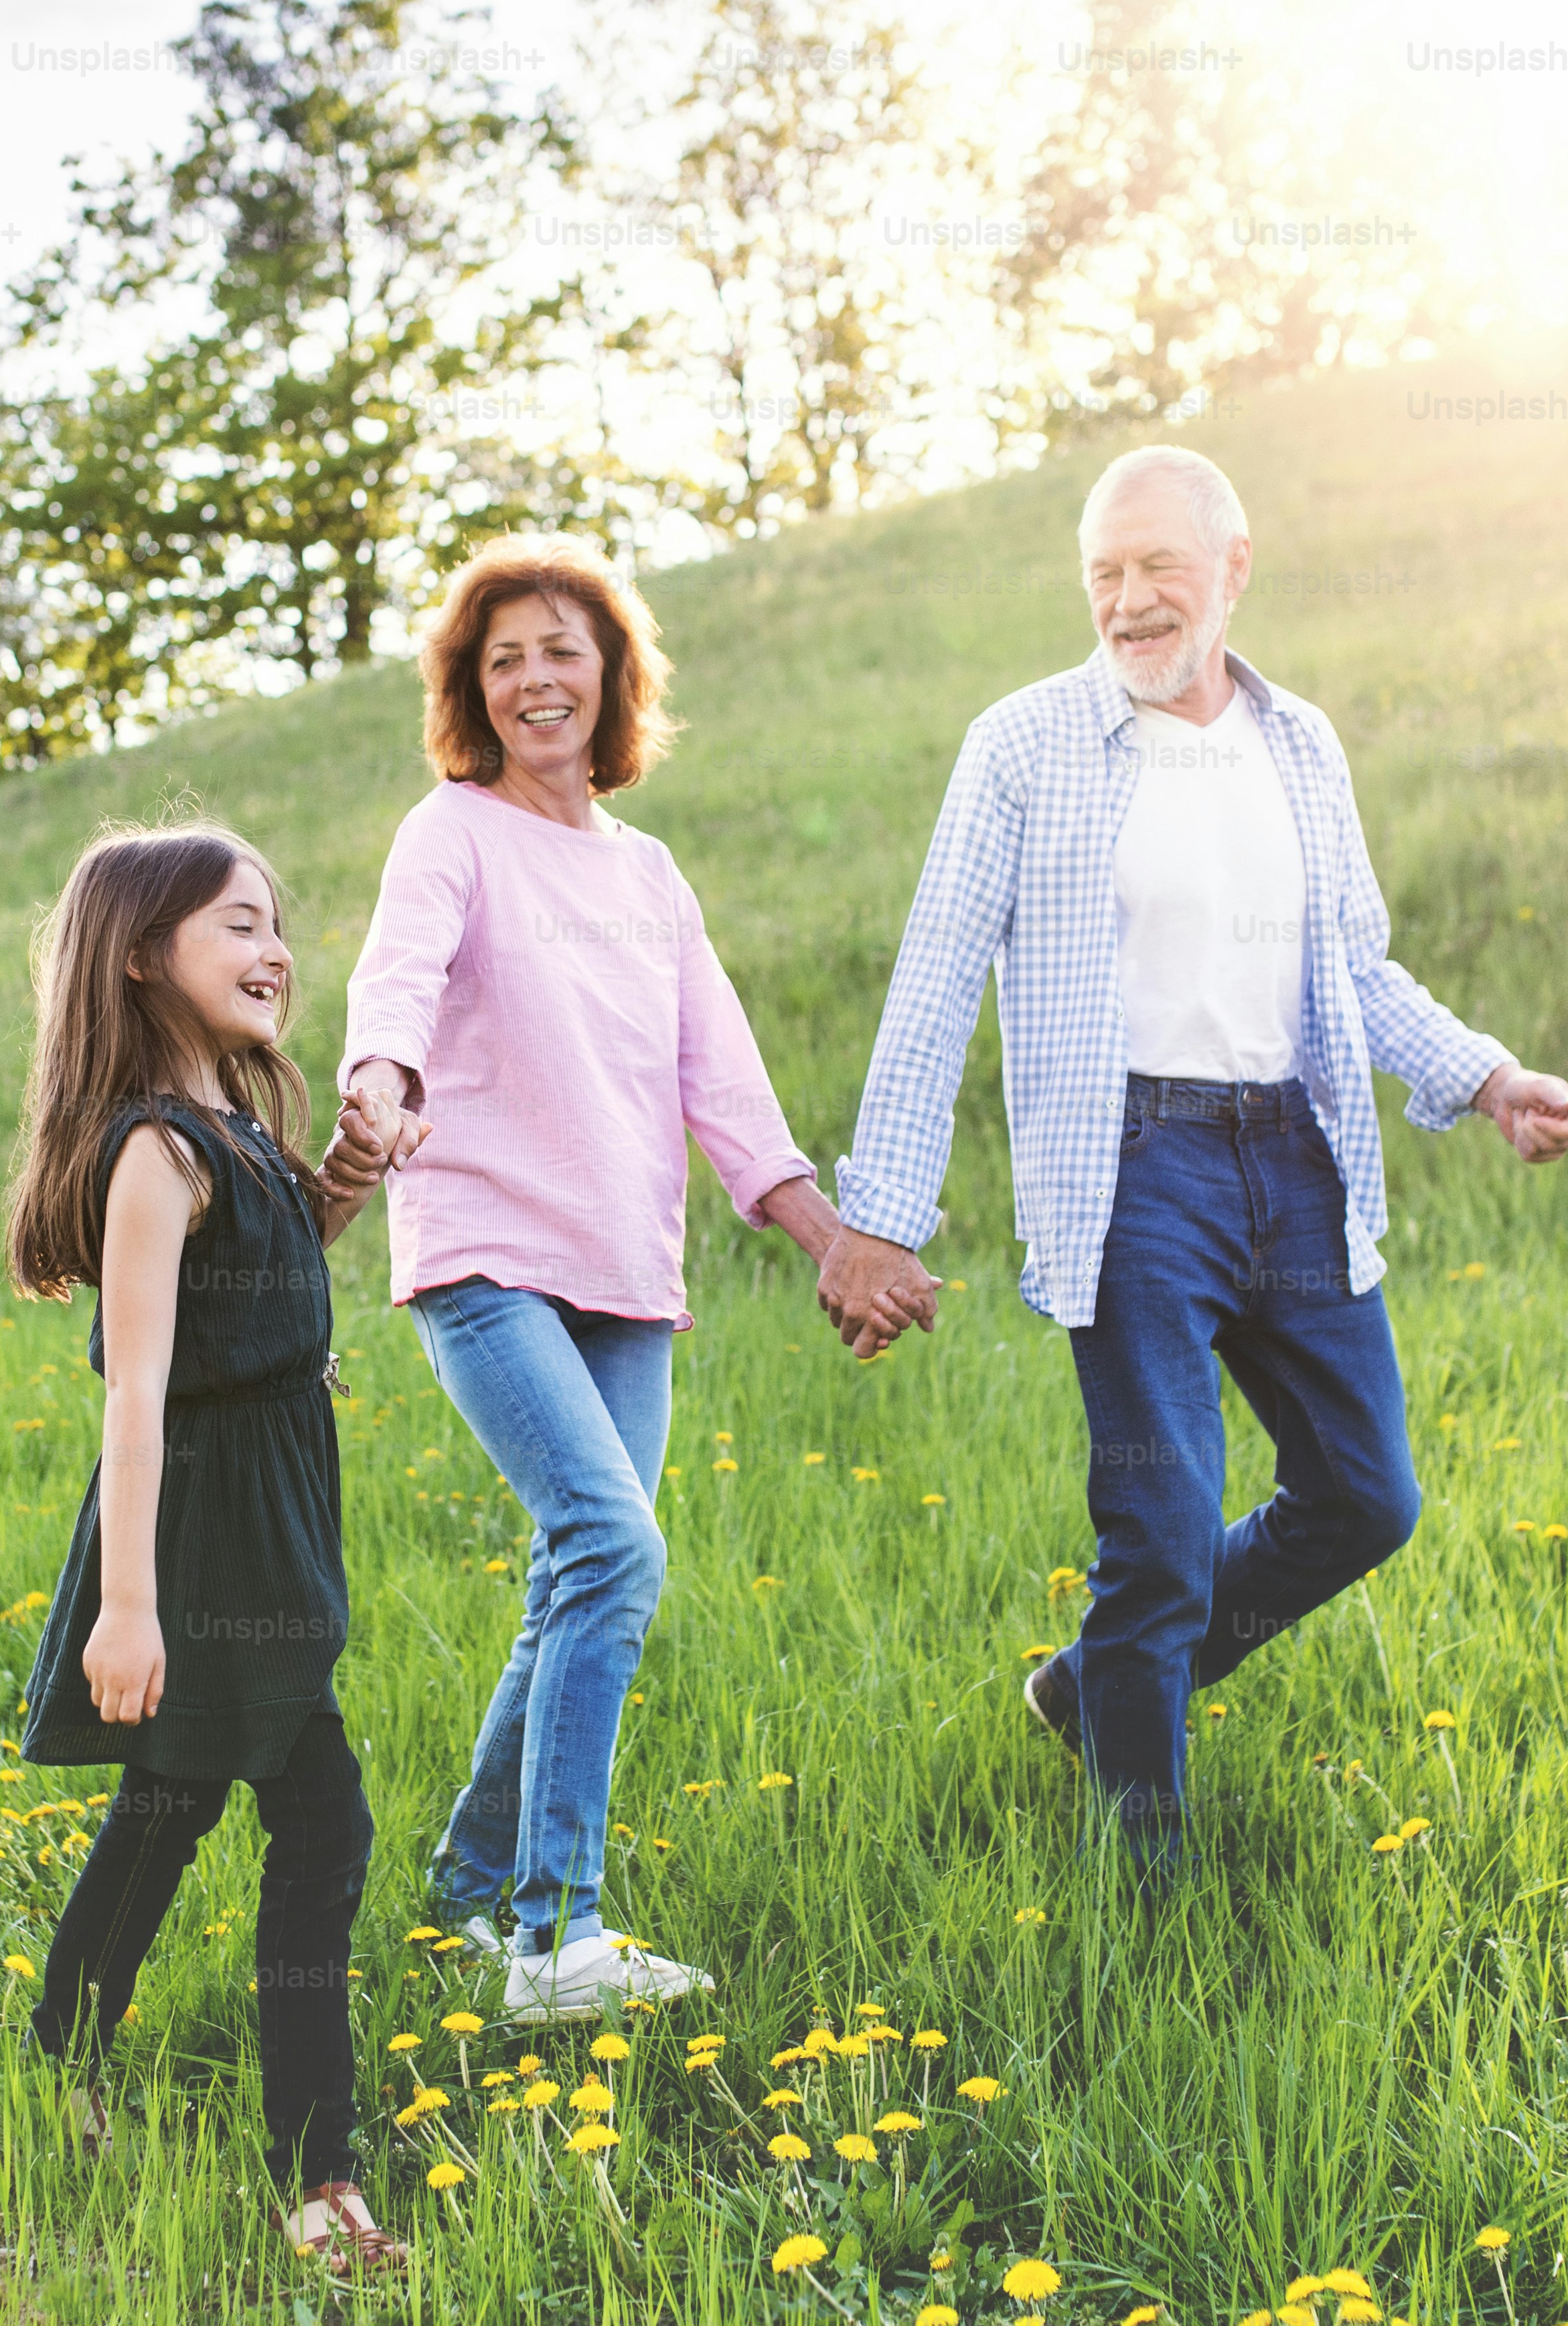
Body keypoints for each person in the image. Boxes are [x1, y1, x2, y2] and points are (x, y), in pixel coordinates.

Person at [819, 446, 1568, 1893]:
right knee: (1163, 1524)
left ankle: (1095, 1685)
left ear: (1233, 568)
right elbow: (932, 986)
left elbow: (1355, 968)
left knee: (1367, 1496)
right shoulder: (1023, 745)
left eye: (1157, 568)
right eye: (1102, 574)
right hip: (1129, 1167)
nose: (1127, 601)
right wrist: (879, 1221)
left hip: (1291, 1155)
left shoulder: (1298, 743)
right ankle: (1151, 1886)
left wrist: (1485, 1078)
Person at [331, 533, 895, 2022]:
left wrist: (824, 1235)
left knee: (572, 1578)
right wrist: (378, 1076)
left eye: (560, 652)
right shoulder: (448, 832)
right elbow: (394, 971)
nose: (533, 678)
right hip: (483, 1252)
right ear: (473, 688)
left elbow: (723, 1078)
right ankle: (555, 1937)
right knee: (612, 1550)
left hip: (624, 1274)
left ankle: (465, 1890)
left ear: (609, 677)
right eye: (502, 657)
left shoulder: (648, 874)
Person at [5, 821, 404, 2278]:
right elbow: (134, 1385)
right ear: (139, 956)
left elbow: (276, 1278)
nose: (271, 947)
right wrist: (127, 1608)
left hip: (276, 1512)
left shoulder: (232, 1128)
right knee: (323, 1821)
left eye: (273, 921)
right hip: (208, 1534)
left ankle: (57, 2057)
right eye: (235, 923)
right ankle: (319, 2173)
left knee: (171, 1810)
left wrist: (345, 1180)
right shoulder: (158, 1154)